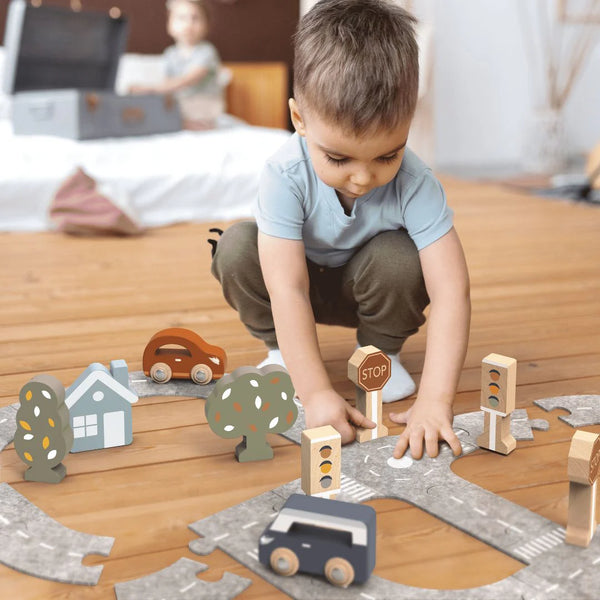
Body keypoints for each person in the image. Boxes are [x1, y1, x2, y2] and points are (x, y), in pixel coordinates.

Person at [211, 0, 471, 460]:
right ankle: (281, 353)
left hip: (367, 290)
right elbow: (287, 287)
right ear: (299, 120)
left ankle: (379, 354)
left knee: (402, 256)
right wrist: (314, 394)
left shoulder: (417, 183)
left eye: (387, 155)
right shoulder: (283, 174)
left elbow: (451, 290)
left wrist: (435, 401)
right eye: (338, 158)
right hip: (296, 287)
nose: (363, 178)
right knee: (235, 247)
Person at [130, 0, 224, 127]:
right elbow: (167, 84)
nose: (189, 24)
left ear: (206, 25)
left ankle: (190, 124)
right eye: (182, 18)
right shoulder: (170, 54)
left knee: (177, 114)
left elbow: (187, 80)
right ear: (170, 25)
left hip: (204, 103)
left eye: (195, 18)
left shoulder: (207, 52)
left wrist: (151, 89)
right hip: (181, 103)